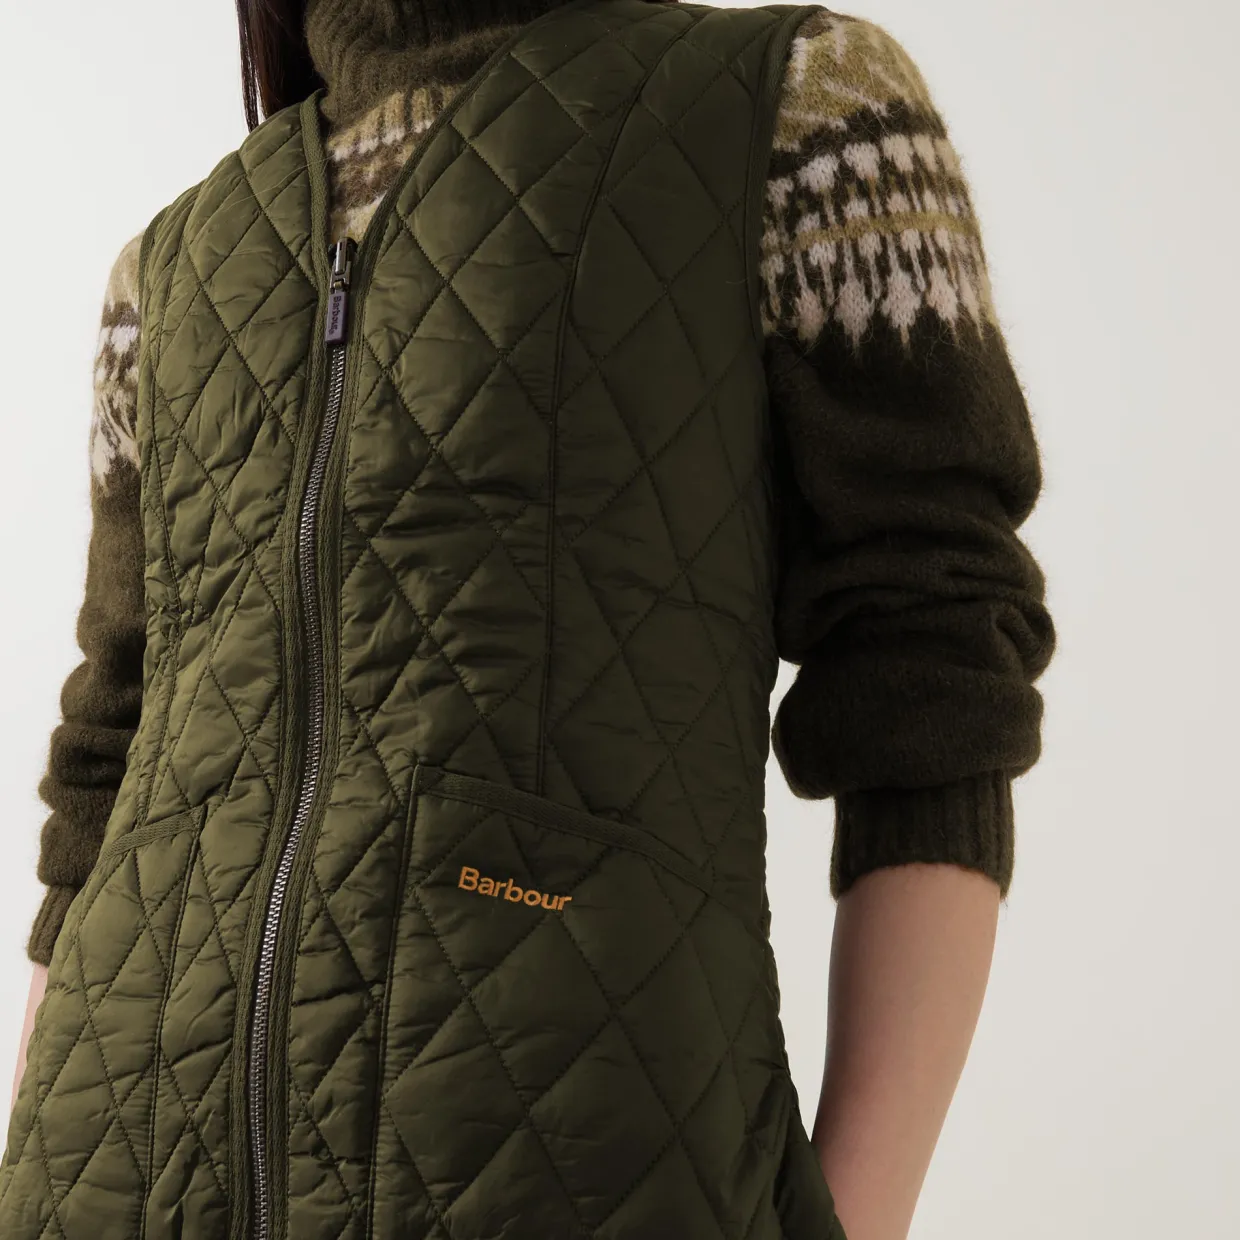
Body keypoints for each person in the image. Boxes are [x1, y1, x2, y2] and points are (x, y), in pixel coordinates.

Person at [3, 1, 1056, 1238]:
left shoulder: (796, 113)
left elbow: (930, 658)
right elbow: (109, 765)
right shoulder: (170, 268)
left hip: (582, 1174)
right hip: (105, 1178)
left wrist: (858, 1217)